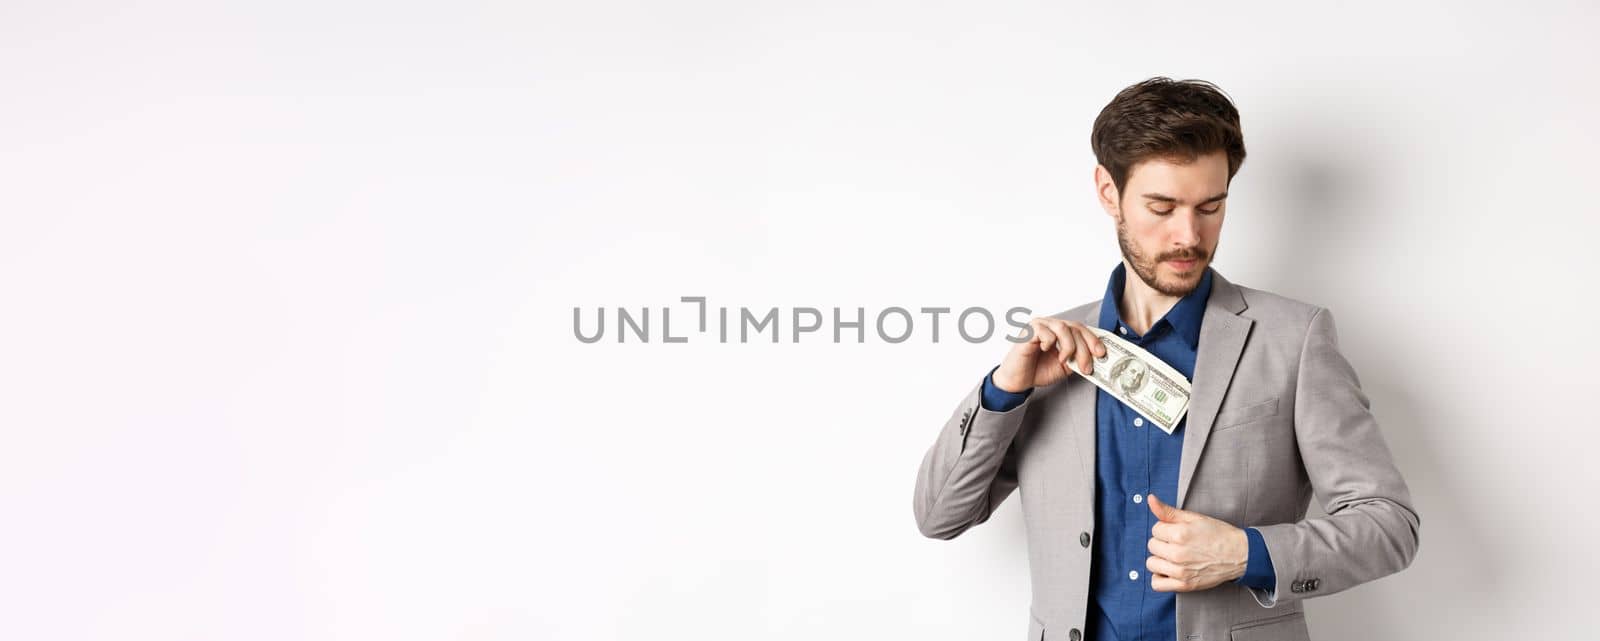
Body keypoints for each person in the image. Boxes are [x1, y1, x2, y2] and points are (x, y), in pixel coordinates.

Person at [911, 77, 1419, 641]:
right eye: (1162, 206)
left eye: (1211, 206)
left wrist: (1247, 553)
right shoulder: (1051, 352)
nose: (1189, 235)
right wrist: (1005, 391)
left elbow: (1389, 525)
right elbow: (938, 516)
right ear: (1109, 192)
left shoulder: (1294, 339)